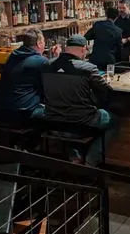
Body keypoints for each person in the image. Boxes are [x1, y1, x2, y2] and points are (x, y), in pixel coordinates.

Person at [41, 35, 116, 166]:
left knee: (71, 115)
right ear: (83, 49)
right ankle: (92, 159)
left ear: (66, 48)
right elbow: (106, 92)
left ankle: (75, 156)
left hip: (52, 123)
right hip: (81, 125)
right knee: (113, 120)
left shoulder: (47, 65)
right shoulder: (88, 68)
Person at [0, 28, 60, 124]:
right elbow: (57, 75)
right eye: (43, 42)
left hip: (1, 111)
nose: (44, 45)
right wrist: (57, 57)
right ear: (39, 43)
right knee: (61, 114)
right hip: (22, 114)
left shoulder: (12, 56)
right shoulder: (39, 61)